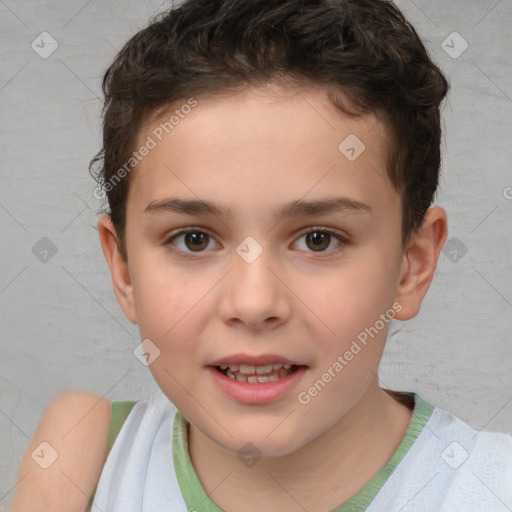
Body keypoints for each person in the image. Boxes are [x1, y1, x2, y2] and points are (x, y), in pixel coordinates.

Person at [11, 0, 512, 510]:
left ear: (413, 264)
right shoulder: (84, 462)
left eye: (319, 239)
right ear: (123, 271)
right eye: (195, 239)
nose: (253, 303)